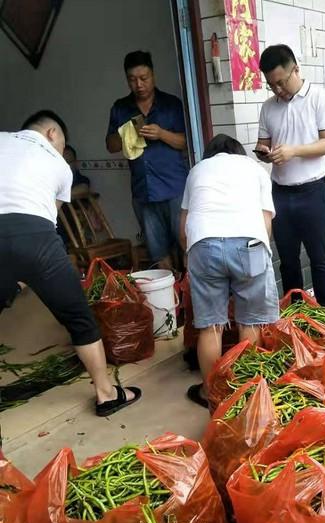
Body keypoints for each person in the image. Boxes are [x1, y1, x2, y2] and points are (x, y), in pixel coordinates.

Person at [0, 110, 141, 415]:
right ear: (52, 133)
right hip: (36, 236)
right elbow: (46, 218)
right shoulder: (58, 164)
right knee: (79, 318)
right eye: (63, 143)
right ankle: (106, 394)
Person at [180, 134, 279, 408]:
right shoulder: (255, 170)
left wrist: (191, 258)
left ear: (209, 154)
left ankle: (212, 395)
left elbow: (184, 224)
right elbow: (266, 222)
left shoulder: (197, 170)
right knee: (250, 322)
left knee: (211, 326)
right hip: (249, 243)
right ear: (239, 153)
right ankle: (249, 392)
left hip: (203, 244)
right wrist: (260, 256)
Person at [255, 44, 325, 310]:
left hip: (312, 191)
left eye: (281, 82)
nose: (278, 89)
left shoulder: (319, 98)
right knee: (288, 259)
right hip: (279, 192)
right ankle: (298, 313)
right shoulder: (268, 108)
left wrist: (293, 151)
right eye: (272, 85)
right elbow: (262, 144)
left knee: (318, 256)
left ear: (296, 69)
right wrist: (265, 153)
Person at [106, 50, 188, 269]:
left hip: (175, 188)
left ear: (153, 75)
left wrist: (161, 134)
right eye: (132, 80)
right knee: (157, 251)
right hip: (144, 192)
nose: (139, 84)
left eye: (144, 78)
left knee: (187, 244)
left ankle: (190, 298)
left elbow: (186, 142)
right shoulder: (120, 108)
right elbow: (111, 146)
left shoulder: (171, 104)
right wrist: (127, 132)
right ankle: (170, 299)